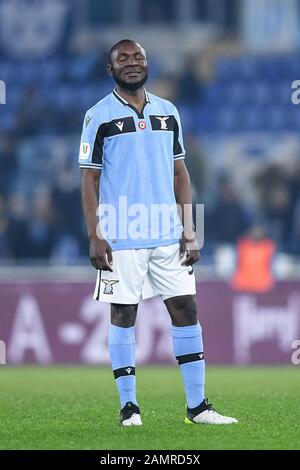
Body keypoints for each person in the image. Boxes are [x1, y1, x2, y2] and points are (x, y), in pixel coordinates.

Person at [79, 39, 237, 426]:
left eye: (138, 58)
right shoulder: (97, 116)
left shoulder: (168, 113)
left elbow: (180, 173)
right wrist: (95, 234)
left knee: (186, 309)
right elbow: (89, 180)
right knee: (124, 314)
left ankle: (198, 407)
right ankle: (129, 408)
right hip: (121, 236)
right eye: (123, 59)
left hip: (169, 234)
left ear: (148, 64)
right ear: (110, 69)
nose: (132, 63)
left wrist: (189, 229)